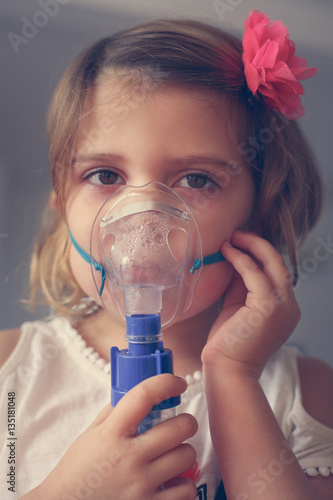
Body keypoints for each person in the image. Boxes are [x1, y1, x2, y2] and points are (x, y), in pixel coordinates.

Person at [1, 9, 333, 500]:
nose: (145, 219)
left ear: (259, 214)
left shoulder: (306, 393)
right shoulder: (11, 372)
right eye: (105, 176)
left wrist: (234, 377)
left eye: (196, 180)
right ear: (61, 199)